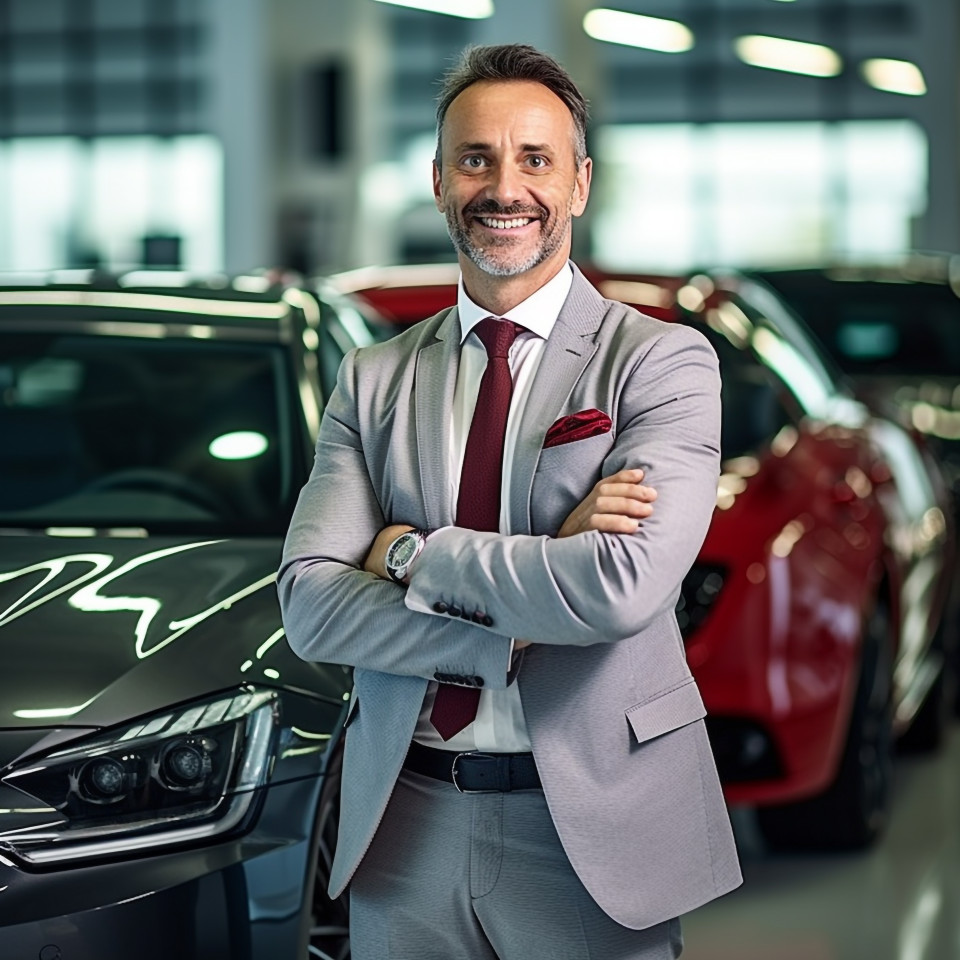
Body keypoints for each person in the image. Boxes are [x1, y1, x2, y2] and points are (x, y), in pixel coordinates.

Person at [279, 42, 741, 960]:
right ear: (441, 179)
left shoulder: (660, 361)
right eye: (476, 158)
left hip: (591, 827)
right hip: (405, 821)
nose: (505, 187)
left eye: (535, 159)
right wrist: (518, 615)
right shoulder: (373, 379)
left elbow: (616, 587)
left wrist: (409, 555)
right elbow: (310, 604)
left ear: (578, 182)